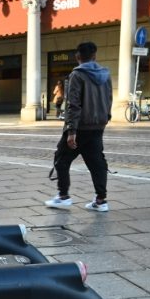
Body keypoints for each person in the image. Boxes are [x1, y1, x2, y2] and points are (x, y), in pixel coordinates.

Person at [45, 41, 112, 212]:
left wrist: (71, 131)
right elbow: (109, 99)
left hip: (80, 127)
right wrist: (105, 119)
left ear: (77, 57)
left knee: (61, 159)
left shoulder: (77, 75)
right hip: (97, 126)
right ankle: (101, 200)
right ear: (94, 56)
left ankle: (63, 196)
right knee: (97, 163)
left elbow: (73, 104)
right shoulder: (106, 75)